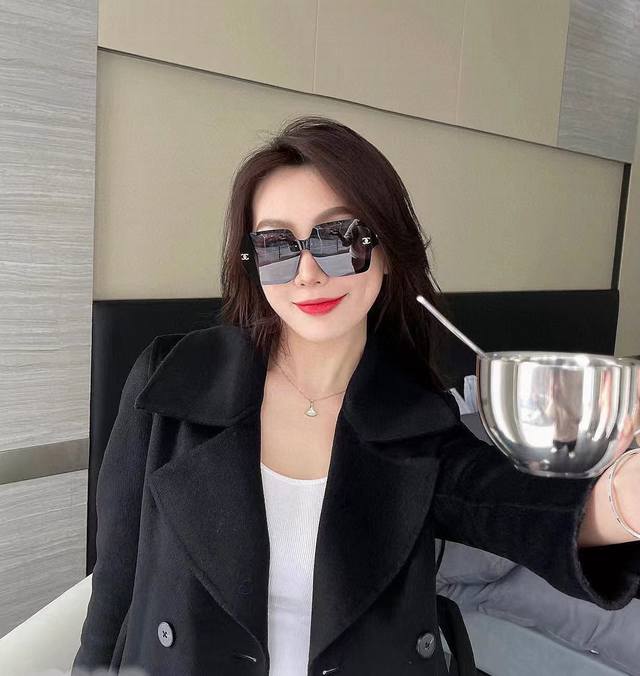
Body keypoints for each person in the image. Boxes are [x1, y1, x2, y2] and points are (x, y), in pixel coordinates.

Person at [72, 115, 640, 676]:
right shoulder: (169, 380)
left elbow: (517, 510)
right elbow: (115, 586)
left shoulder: (413, 417)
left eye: (339, 239)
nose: (307, 272)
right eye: (276, 246)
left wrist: (620, 498)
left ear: (386, 250)